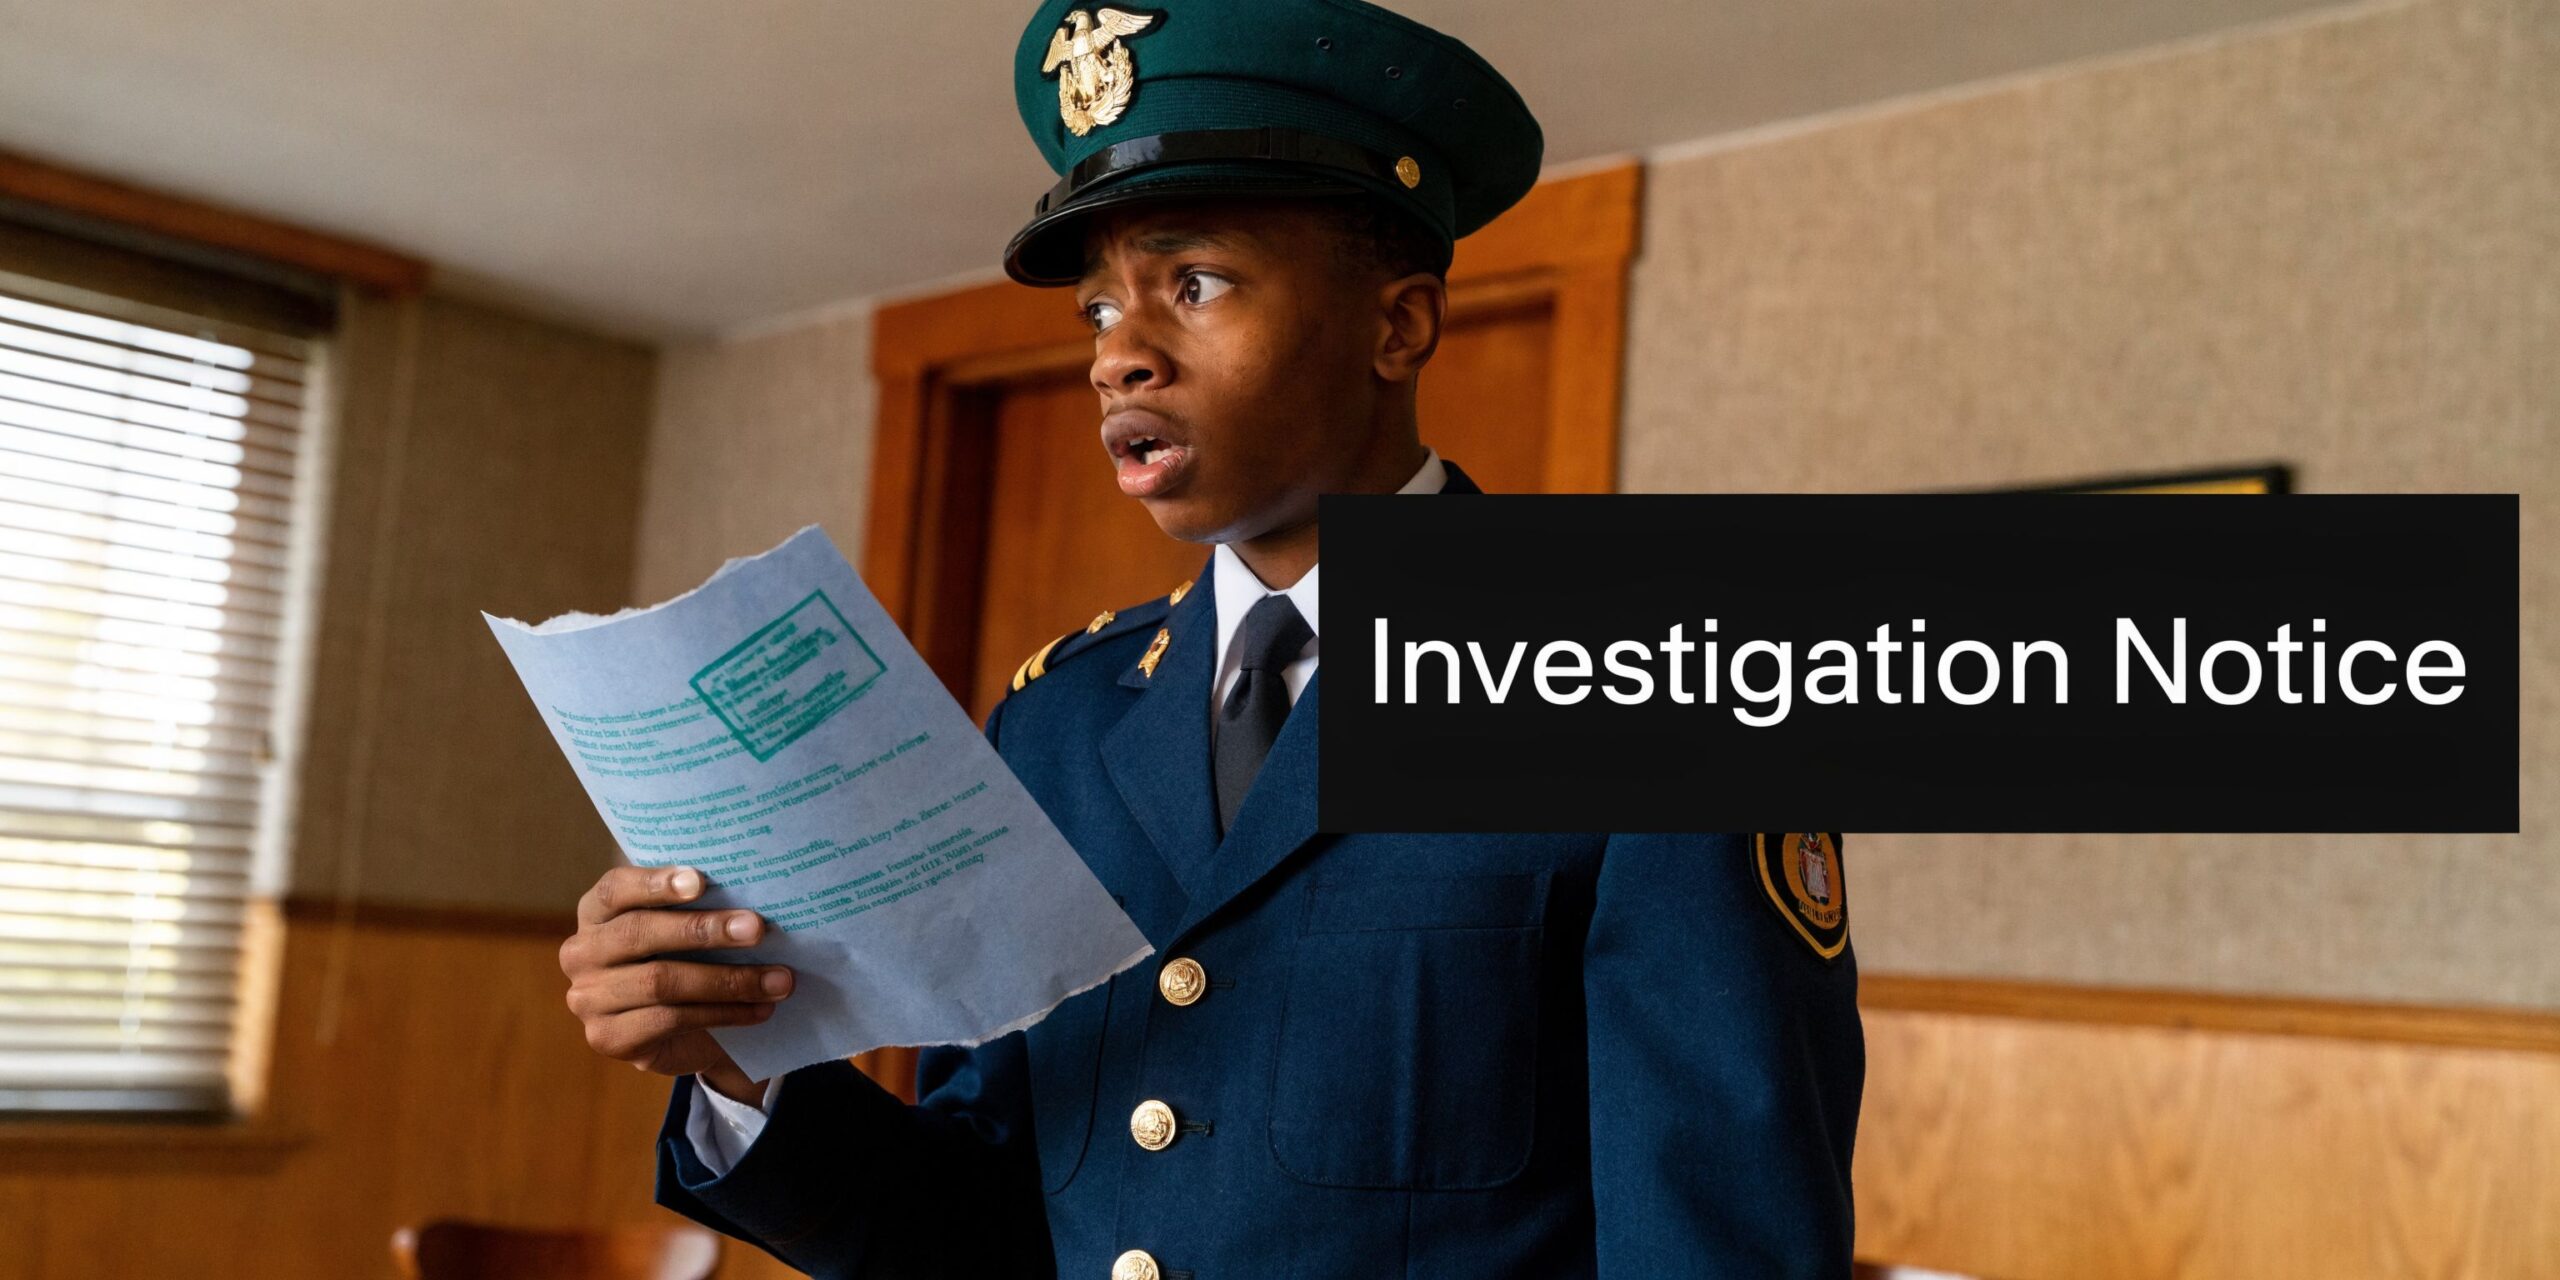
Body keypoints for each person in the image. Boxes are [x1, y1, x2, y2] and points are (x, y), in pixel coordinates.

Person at [554, 2, 1863, 1275]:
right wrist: (745, 1071)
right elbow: (983, 1228)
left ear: (1396, 327)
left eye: (1193, 282)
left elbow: (1720, 1245)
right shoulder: (1057, 729)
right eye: (1100, 314)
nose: (1120, 356)